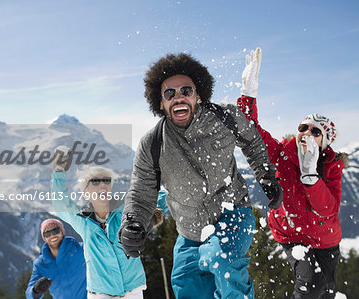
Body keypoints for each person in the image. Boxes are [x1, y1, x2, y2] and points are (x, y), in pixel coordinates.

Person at [119, 53, 283, 299]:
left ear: (199, 94)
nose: (178, 97)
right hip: (189, 230)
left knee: (222, 261)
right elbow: (142, 192)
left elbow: (252, 141)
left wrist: (266, 173)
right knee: (186, 285)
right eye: (169, 94)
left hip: (233, 213)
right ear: (160, 103)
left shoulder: (224, 118)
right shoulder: (153, 144)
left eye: (186, 90)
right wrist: (132, 222)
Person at [237, 48, 348, 298]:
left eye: (316, 131)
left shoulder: (332, 167)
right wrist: (248, 92)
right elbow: (249, 130)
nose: (307, 133)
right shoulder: (281, 154)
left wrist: (311, 176)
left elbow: (328, 209)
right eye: (303, 127)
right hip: (292, 234)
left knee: (326, 292)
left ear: (325, 142)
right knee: (311, 284)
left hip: (326, 240)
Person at [51, 149, 167, 299]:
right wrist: (59, 172)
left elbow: (161, 196)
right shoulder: (83, 221)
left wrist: (149, 219)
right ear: (86, 192)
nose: (102, 185)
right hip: (100, 293)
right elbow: (61, 203)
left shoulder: (126, 211)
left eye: (106, 181)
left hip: (133, 290)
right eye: (95, 182)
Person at [26, 218, 87, 299]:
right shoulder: (41, 264)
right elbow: (29, 293)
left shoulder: (81, 249)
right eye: (47, 234)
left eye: (55, 231)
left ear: (62, 232)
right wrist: (35, 291)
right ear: (44, 238)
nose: (52, 235)